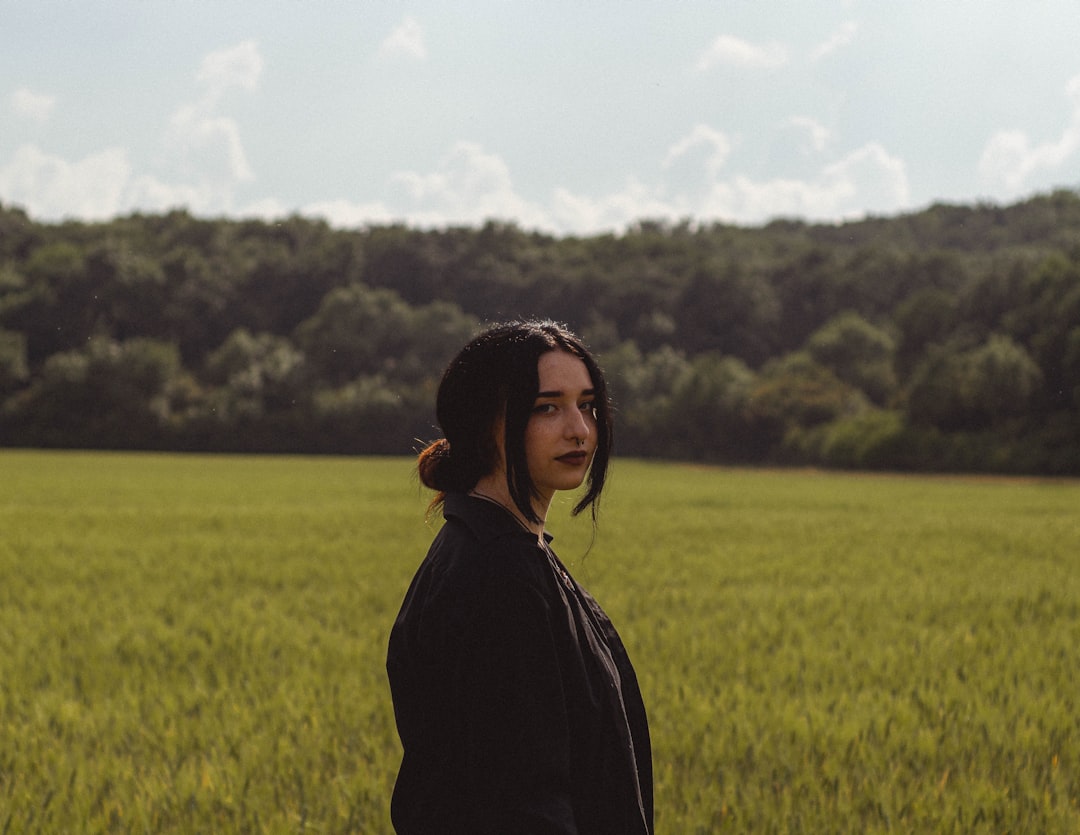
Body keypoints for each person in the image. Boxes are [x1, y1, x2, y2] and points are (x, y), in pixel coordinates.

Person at [386, 319, 653, 834]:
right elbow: (521, 803)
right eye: (546, 407)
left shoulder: (503, 552)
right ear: (486, 423)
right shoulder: (499, 579)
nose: (579, 429)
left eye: (588, 404)